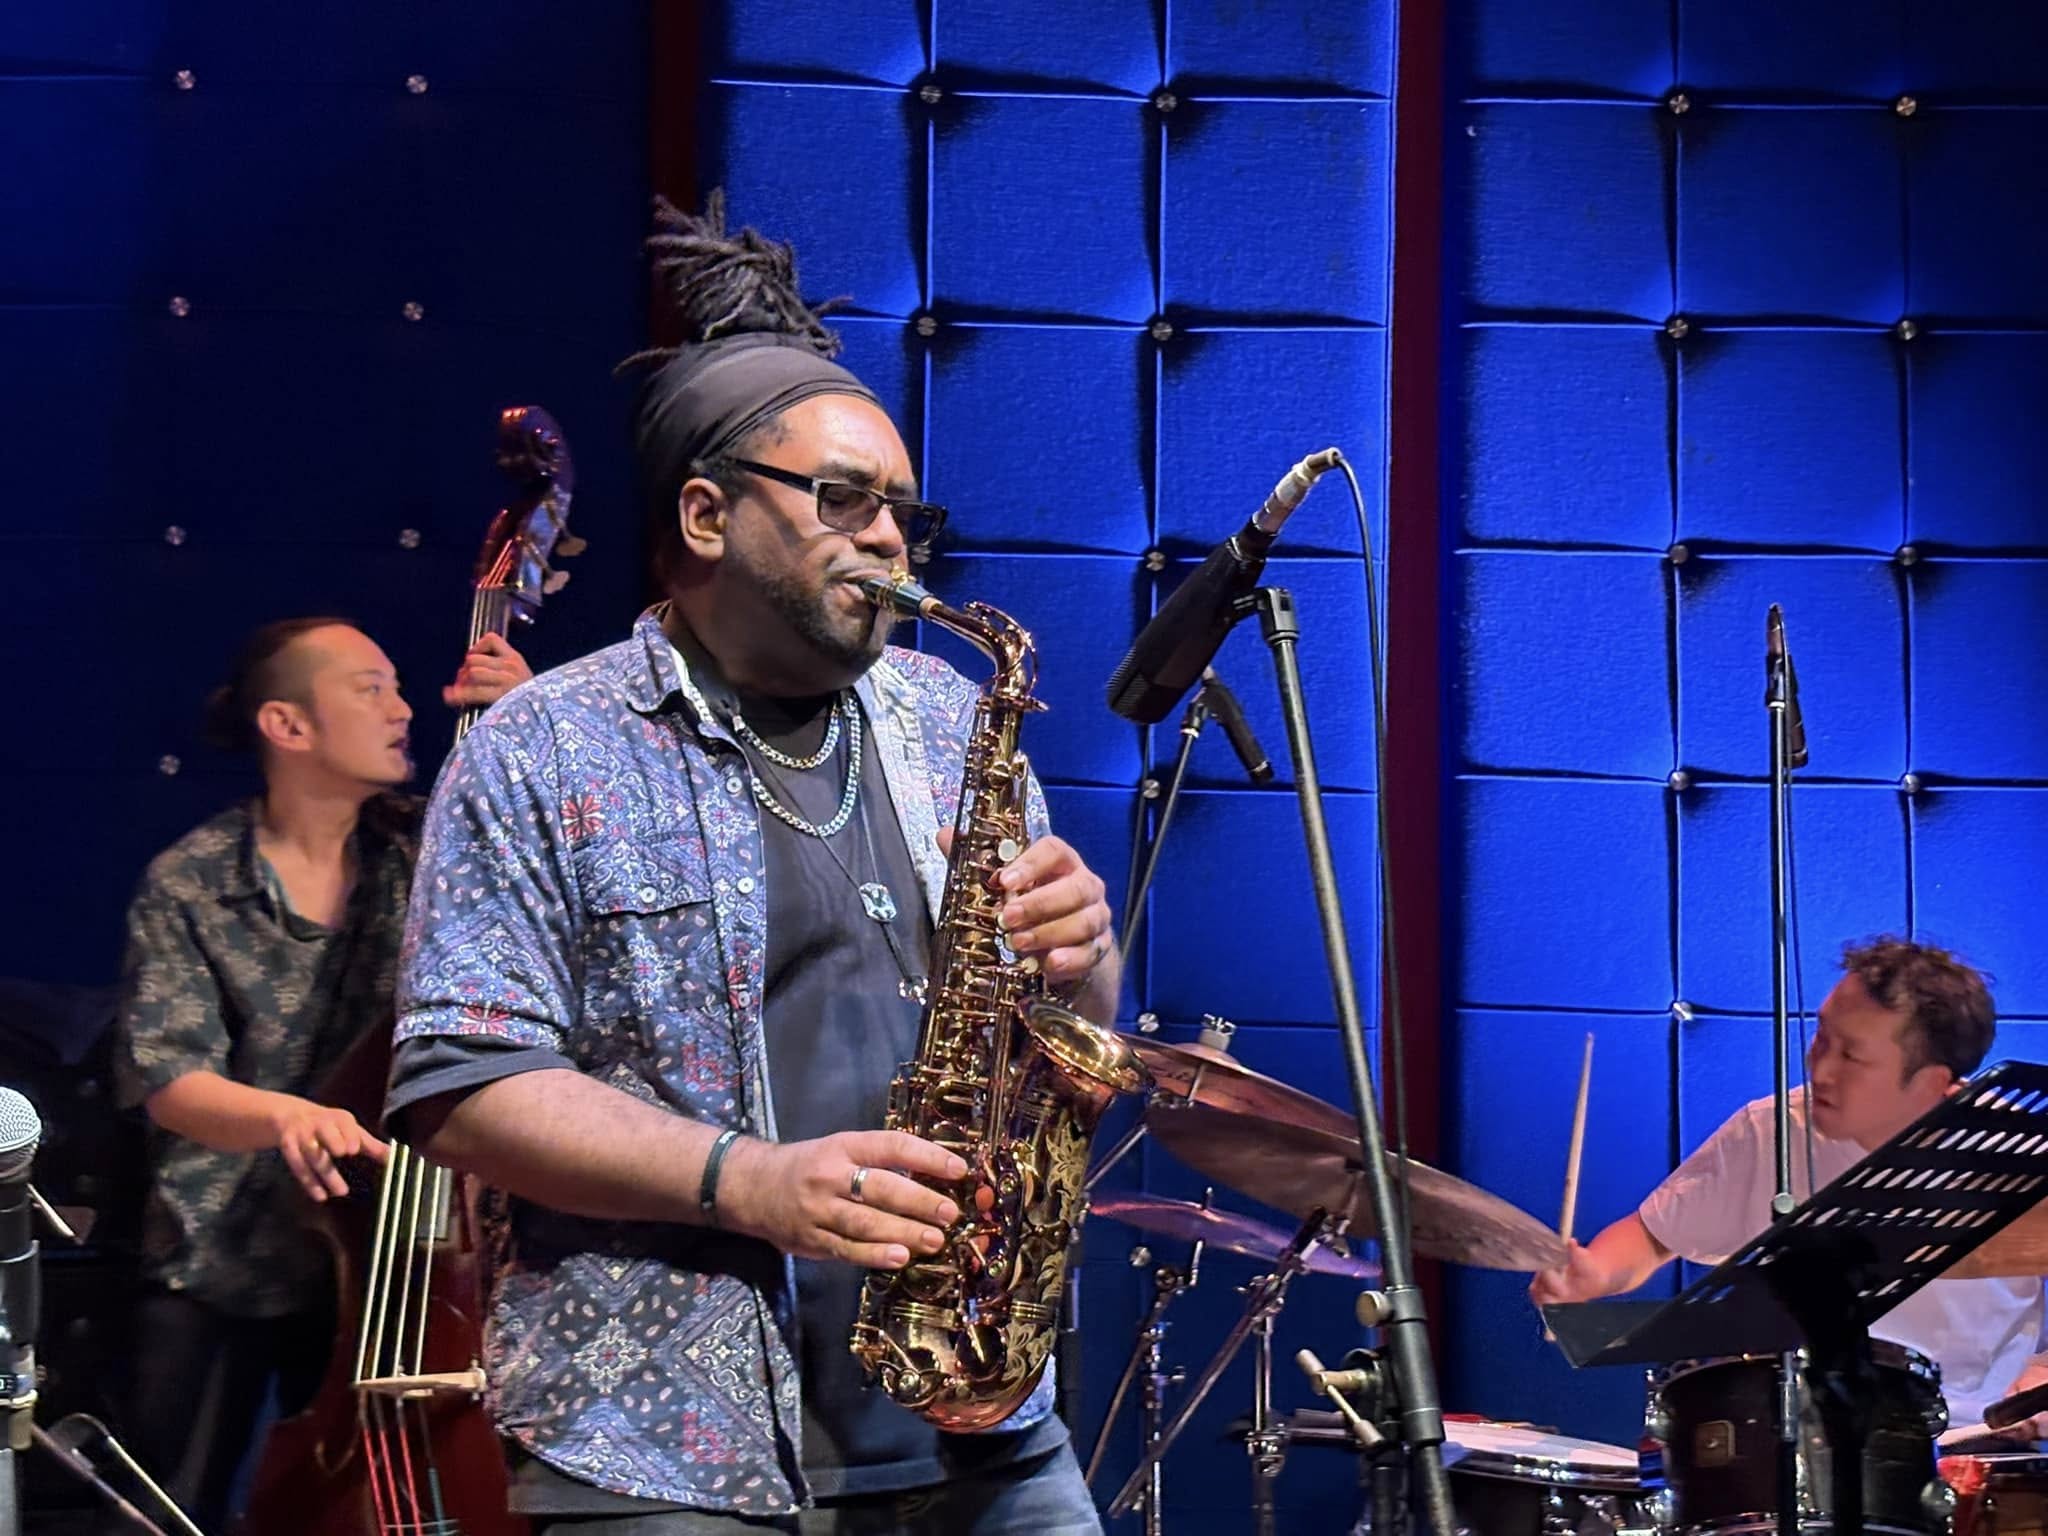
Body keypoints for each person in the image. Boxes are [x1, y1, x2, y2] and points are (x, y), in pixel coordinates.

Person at [384, 194, 1117, 1535]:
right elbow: (461, 1085)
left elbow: (1050, 1048)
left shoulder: (951, 717)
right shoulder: (543, 745)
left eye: (901, 511)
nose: (888, 537)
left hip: (978, 1412)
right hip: (666, 1441)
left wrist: (1084, 963)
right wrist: (753, 1182)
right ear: (707, 513)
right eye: (843, 499)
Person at [112, 618, 530, 1531]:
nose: (403, 708)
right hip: (227, 1252)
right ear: (287, 725)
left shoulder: (434, 851)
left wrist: (524, 725)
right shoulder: (192, 880)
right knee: (166, 1509)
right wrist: (287, 1117)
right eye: (370, 689)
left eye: (397, 686)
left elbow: (549, 870)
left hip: (398, 1255)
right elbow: (169, 1078)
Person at [1530, 936, 2047, 1435]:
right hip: (1802, 1429)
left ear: (1933, 1082)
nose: (1821, 1068)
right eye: (1822, 1037)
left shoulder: (2018, 1147)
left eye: (1852, 1056)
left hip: (1982, 1434)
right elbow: (1650, 1237)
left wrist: (2042, 1373)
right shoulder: (1772, 1132)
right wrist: (1594, 1275)